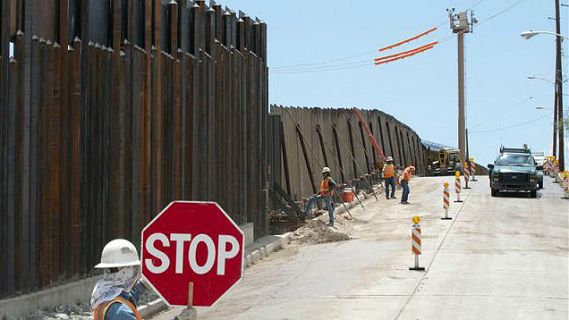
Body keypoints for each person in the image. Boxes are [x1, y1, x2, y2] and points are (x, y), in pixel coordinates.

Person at [91, 239, 143, 320]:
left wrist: (145, 283)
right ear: (129, 270)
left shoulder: (103, 294)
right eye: (134, 268)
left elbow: (130, 295)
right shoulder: (120, 311)